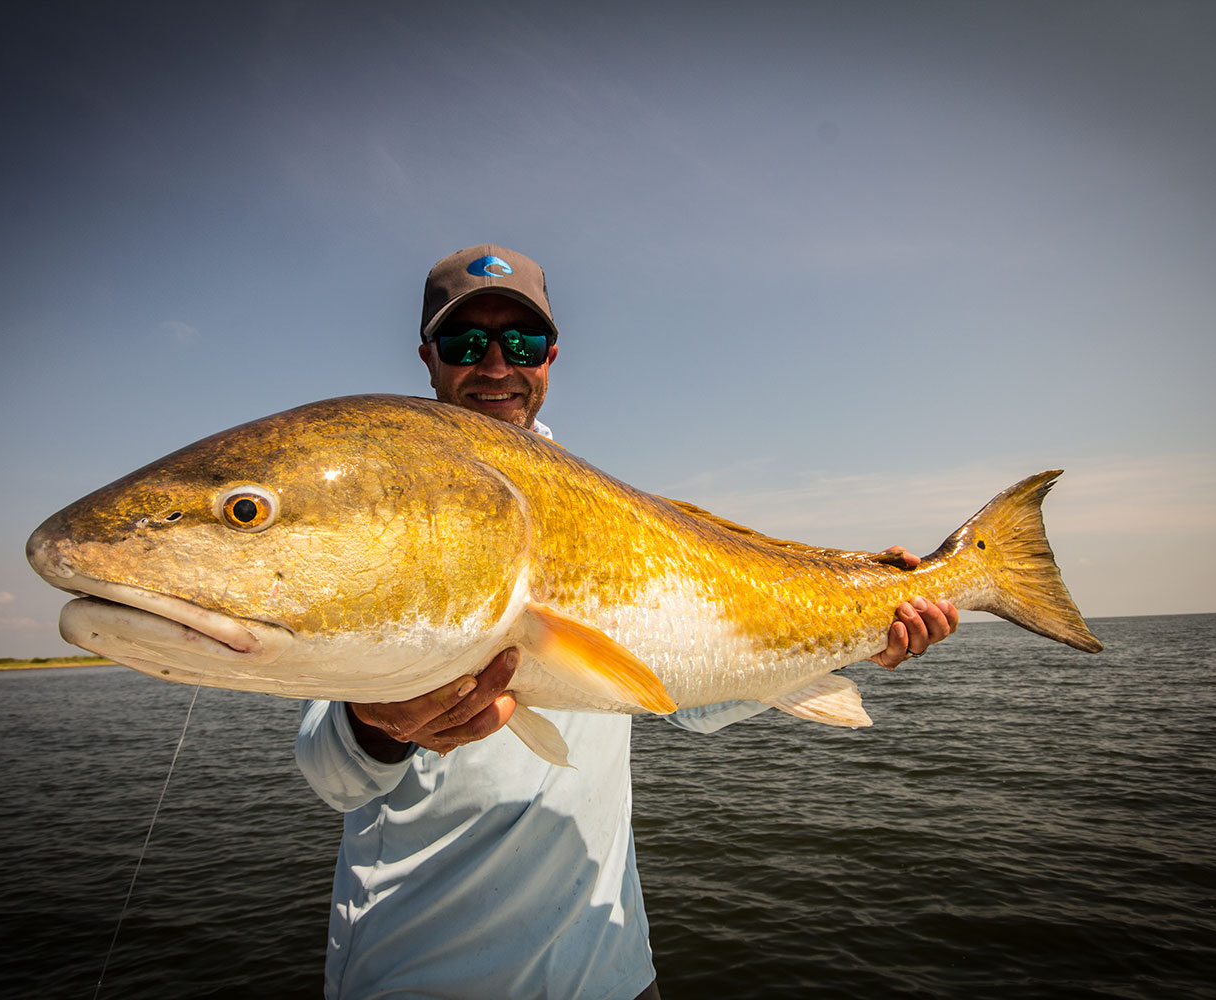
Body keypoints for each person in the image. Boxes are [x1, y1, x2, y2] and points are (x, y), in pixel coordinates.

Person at [296, 245, 958, 999]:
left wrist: (863, 634)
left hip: (612, 975)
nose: (495, 364)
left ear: (550, 357)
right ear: (428, 358)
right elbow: (329, 771)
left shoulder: (604, 508)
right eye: (463, 342)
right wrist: (381, 724)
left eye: (521, 342)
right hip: (416, 979)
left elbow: (690, 698)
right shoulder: (390, 502)